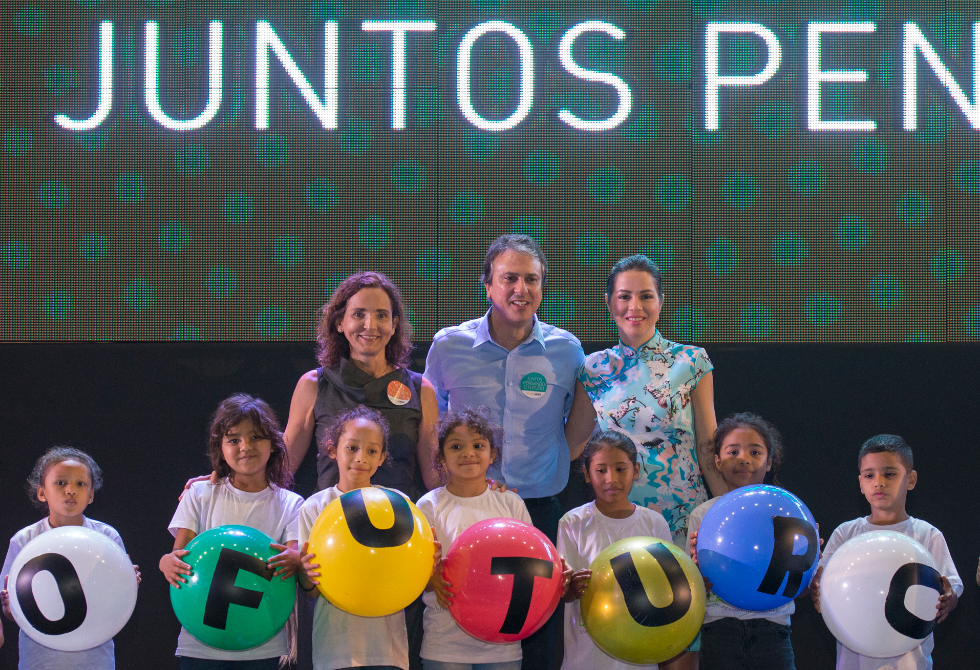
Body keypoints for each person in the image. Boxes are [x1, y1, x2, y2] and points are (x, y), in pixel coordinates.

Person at [423, 234, 596, 543]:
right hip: (467, 503)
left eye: (532, 279)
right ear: (488, 286)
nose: (522, 289)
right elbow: (429, 427)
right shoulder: (448, 346)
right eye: (510, 278)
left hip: (541, 507)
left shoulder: (567, 351)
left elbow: (578, 427)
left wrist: (548, 466)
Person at [579, 254, 721, 547]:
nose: (635, 307)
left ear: (660, 302)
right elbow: (572, 447)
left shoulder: (692, 361)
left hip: (682, 515)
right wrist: (492, 482)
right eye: (624, 297)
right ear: (609, 303)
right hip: (615, 516)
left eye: (646, 296)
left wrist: (728, 511)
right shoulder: (592, 369)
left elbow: (709, 449)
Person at [417, 405, 571, 670]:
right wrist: (430, 580)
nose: (468, 453)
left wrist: (558, 573)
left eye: (478, 445)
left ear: (492, 455)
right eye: (455, 447)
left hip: (503, 645)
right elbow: (414, 570)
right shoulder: (428, 506)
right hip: (444, 643)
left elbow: (535, 564)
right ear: (440, 458)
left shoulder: (510, 504)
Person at [160, 394, 304, 669]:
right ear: (220, 447)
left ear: (274, 444)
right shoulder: (200, 494)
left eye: (255, 437)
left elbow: (294, 557)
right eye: (234, 439)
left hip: (263, 644)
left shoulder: (291, 503)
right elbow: (179, 556)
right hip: (199, 644)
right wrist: (166, 562)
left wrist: (297, 562)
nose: (245, 447)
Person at [296, 405, 434, 670]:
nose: (361, 458)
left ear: (382, 457)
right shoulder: (314, 508)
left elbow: (414, 576)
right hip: (334, 649)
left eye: (372, 451)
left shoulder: (400, 504)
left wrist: (429, 561)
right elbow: (312, 589)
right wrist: (304, 573)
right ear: (332, 450)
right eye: (351, 448)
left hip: (388, 651)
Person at [810, 434, 962, 670]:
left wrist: (948, 599)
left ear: (910, 479)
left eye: (889, 474)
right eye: (870, 475)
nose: (878, 482)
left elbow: (951, 586)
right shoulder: (846, 533)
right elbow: (821, 582)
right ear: (861, 483)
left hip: (911, 664)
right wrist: (816, 589)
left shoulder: (927, 535)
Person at [285, 270, 440, 500]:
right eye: (359, 314)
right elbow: (282, 466)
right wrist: (228, 476)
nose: (370, 325)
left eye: (381, 315)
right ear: (340, 322)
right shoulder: (314, 385)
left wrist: (480, 487)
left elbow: (436, 478)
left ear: (394, 324)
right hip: (331, 523)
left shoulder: (421, 389)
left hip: (397, 523)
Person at [1, 446, 140, 670]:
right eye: (60, 483)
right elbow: (12, 607)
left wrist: (127, 586)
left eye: (80, 484)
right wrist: (10, 608)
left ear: (91, 494)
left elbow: (115, 601)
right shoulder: (24, 540)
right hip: (39, 661)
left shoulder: (106, 536)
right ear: (41, 492)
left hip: (95, 661)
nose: (70, 490)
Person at [687, 413, 795, 670]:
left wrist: (807, 558)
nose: (743, 458)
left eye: (755, 452)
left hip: (773, 630)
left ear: (769, 462)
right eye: (732, 451)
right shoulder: (702, 515)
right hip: (719, 631)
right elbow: (694, 588)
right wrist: (696, 576)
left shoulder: (788, 511)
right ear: (717, 460)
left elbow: (798, 585)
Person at [558, 430, 672, 670]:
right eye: (601, 470)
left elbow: (665, 587)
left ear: (636, 471)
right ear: (587, 474)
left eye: (621, 469)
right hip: (586, 655)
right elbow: (562, 591)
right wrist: (573, 588)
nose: (611, 479)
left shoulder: (654, 523)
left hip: (638, 654)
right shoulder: (572, 522)